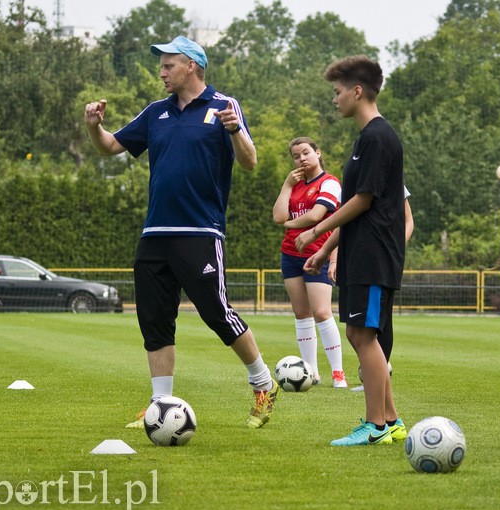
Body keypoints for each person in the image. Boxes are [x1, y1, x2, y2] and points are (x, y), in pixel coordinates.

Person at [83, 36, 280, 430]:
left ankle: (262, 383)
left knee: (216, 311)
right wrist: (94, 127)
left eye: (168, 64)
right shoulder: (155, 112)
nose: (161, 71)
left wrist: (237, 130)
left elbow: (250, 161)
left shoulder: (224, 106)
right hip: (154, 232)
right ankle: (160, 405)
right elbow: (110, 147)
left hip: (201, 231)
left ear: (191, 65)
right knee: (155, 319)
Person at [295, 55, 406, 446]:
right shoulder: (366, 138)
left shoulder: (378, 137)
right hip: (363, 253)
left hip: (374, 256)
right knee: (362, 335)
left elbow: (362, 201)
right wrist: (327, 250)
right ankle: (390, 420)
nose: (334, 99)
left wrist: (316, 231)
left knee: (363, 336)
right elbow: (358, 209)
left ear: (357, 92)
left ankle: (375, 426)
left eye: (338, 92)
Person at [272, 136, 347, 388]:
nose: (301, 158)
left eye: (306, 153)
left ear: (318, 152)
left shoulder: (330, 183)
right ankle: (310, 372)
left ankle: (338, 374)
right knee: (301, 313)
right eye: (296, 156)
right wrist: (286, 185)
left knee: (322, 312)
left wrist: (289, 224)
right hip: (290, 255)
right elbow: (278, 215)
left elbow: (317, 215)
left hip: (319, 253)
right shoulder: (295, 184)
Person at [348, 187, 413, 392]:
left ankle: (376, 380)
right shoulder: (357, 177)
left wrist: (396, 246)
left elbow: (408, 220)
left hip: (381, 260)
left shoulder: (391, 179)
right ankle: (376, 377)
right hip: (360, 258)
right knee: (361, 327)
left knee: (379, 322)